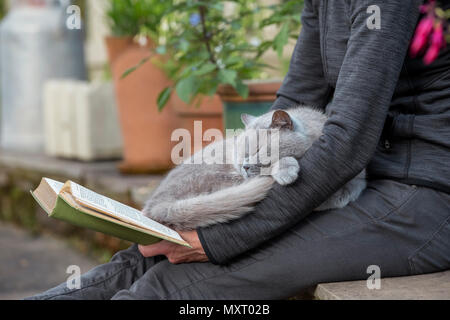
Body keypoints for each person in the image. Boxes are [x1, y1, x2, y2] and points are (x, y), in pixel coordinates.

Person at [29, 0, 449, 300]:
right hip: (348, 181)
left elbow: (348, 143)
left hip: (417, 200)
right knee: (141, 258)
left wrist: (218, 237)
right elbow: (290, 104)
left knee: (171, 288)